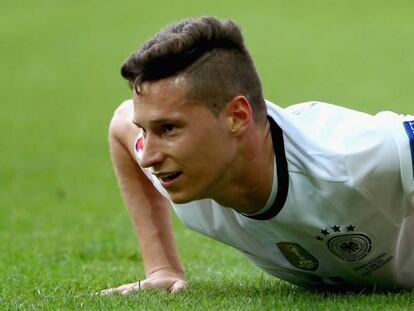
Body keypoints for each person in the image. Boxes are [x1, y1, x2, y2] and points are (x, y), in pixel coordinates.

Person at [100, 16, 414, 295]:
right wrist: (161, 269)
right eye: (145, 131)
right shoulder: (178, 169)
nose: (148, 156)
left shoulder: (351, 158)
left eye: (169, 128)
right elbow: (121, 124)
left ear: (236, 116)